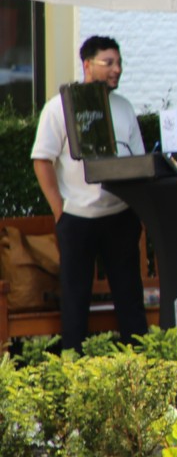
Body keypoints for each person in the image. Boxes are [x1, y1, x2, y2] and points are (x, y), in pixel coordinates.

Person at [31, 35, 147, 350]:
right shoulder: (59, 107)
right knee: (75, 299)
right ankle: (73, 365)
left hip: (120, 216)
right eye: (108, 62)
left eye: (119, 63)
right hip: (76, 217)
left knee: (129, 297)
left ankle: (140, 363)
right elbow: (42, 159)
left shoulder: (124, 108)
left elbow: (138, 161)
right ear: (87, 64)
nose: (116, 69)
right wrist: (60, 209)